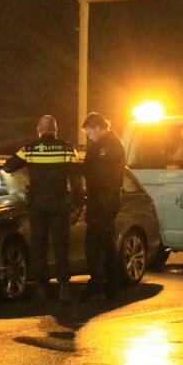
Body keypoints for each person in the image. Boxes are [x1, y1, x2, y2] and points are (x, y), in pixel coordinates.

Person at [3, 115, 83, 302]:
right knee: (61, 244)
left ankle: (41, 288)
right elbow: (76, 179)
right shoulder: (67, 148)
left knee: (39, 245)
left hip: (37, 204)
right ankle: (64, 287)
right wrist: (78, 202)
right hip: (59, 203)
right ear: (56, 129)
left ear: (39, 129)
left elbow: (8, 167)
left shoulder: (29, 149)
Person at [80, 112, 125, 301]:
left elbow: (97, 172)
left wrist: (75, 168)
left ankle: (104, 285)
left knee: (100, 243)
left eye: (90, 132)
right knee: (100, 243)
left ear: (98, 127)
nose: (89, 136)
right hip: (102, 199)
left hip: (103, 200)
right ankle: (107, 285)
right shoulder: (108, 144)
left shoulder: (108, 146)